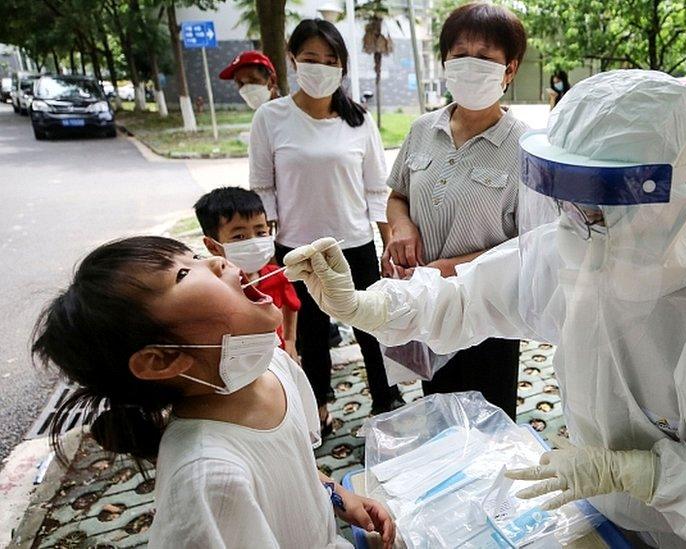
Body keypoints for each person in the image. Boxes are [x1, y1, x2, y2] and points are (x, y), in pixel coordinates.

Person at [284, 70, 686, 547]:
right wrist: (365, 304)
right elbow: (464, 297)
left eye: (596, 199)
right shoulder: (580, 249)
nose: (572, 215)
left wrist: (641, 473)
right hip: (604, 511)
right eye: (565, 191)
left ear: (668, 197)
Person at [31, 236, 395, 548]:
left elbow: (293, 461)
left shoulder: (275, 369)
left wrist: (337, 494)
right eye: (184, 274)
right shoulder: (206, 477)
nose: (218, 262)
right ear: (161, 360)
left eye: (195, 256)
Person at [249, 19, 403, 432]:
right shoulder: (270, 117)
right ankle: (318, 407)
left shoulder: (359, 120)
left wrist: (388, 243)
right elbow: (263, 188)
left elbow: (376, 190)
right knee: (314, 336)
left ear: (342, 66)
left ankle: (386, 399)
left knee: (373, 327)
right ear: (293, 59)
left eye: (330, 60)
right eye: (311, 58)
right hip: (297, 248)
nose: (320, 68)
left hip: (354, 243)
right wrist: (264, 248)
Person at [381, 2, 529, 419]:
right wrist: (401, 227)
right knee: (439, 412)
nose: (469, 65)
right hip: (429, 303)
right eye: (459, 54)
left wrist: (456, 266)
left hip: (491, 310)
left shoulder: (526, 147)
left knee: (490, 421)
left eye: (484, 57)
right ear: (444, 61)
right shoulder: (421, 130)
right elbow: (398, 195)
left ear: (510, 69)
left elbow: (532, 242)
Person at [194, 187, 300, 360]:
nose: (255, 243)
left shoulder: (277, 275)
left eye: (260, 233)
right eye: (239, 237)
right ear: (212, 246)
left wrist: (290, 341)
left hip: (277, 355)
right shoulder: (212, 288)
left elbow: (292, 307)